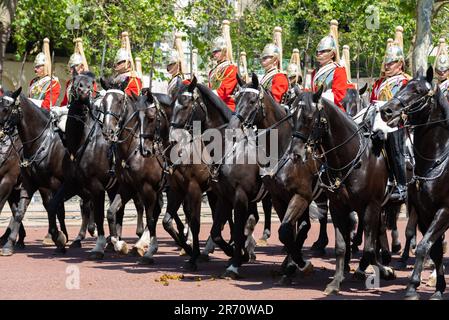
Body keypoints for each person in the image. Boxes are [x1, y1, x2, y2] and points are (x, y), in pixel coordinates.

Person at [370, 30, 411, 201]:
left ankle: (402, 185)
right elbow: (373, 101)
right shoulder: (379, 83)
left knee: (395, 146)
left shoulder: (405, 81)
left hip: (398, 124)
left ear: (400, 64)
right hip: (378, 122)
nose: (387, 66)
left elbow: (408, 105)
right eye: (386, 63)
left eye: (391, 63)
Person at [311, 20, 349, 112]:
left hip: (332, 111)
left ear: (332, 54)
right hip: (314, 108)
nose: (319, 54)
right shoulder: (315, 72)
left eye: (323, 51)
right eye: (318, 51)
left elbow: (339, 95)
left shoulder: (338, 70)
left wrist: (318, 99)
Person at [208, 20, 238, 112]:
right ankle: (195, 127)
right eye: (213, 52)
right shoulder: (213, 71)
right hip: (214, 102)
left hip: (227, 106)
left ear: (224, 50)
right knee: (196, 116)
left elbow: (225, 91)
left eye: (217, 51)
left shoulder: (231, 68)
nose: (214, 54)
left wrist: (208, 96)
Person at [28, 38, 60, 111]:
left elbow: (47, 105)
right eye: (35, 67)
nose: (35, 69)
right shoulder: (33, 82)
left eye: (38, 67)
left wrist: (30, 103)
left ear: (45, 67)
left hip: (44, 114)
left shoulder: (53, 83)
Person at [113, 32, 142, 97]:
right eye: (118, 63)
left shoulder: (132, 76)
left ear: (128, 63)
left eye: (121, 62)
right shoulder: (117, 76)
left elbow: (134, 95)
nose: (119, 65)